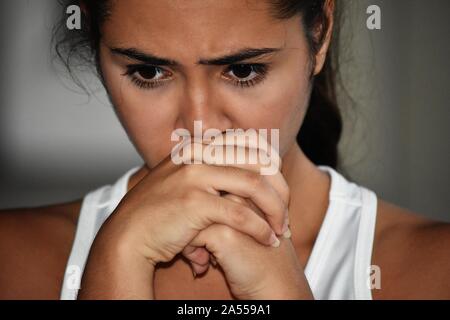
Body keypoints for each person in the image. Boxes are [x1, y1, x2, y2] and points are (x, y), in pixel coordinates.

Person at [0, 0, 449, 300]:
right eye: (150, 71)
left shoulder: (434, 274)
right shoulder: (13, 262)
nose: (199, 127)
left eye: (242, 69)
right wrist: (114, 267)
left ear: (320, 32)